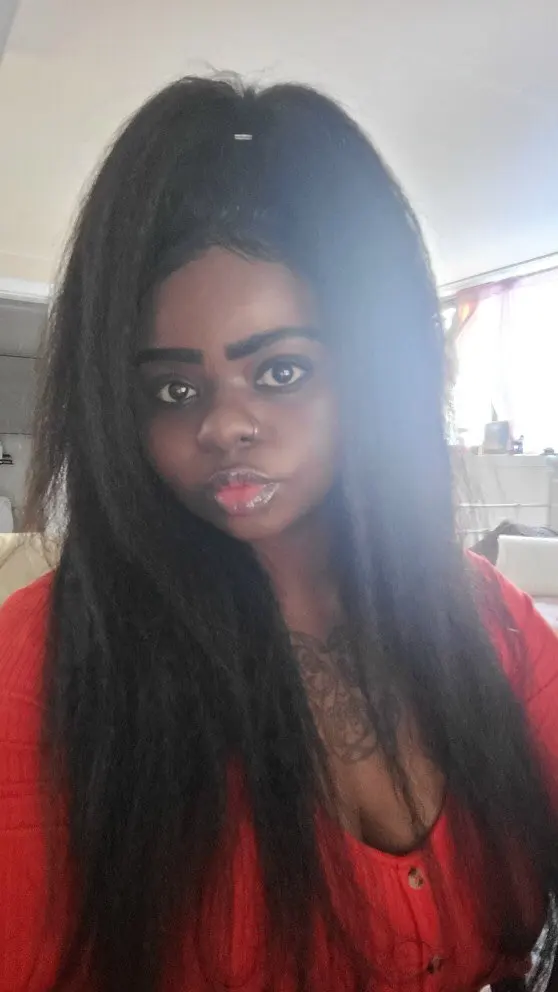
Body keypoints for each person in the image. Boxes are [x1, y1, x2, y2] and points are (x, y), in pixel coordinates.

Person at [0, 76, 557, 992]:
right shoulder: (41, 666)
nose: (224, 425)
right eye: (174, 389)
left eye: (282, 370)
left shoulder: (480, 614)